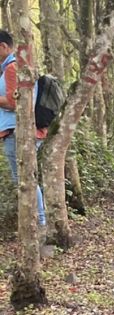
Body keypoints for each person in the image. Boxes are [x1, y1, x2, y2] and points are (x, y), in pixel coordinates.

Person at [0, 30, 46, 231]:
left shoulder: (12, 68)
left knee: (24, 179)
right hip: (18, 131)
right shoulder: (14, 67)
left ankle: (40, 223)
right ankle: (38, 223)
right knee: (25, 177)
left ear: (3, 47)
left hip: (17, 131)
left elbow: (14, 103)